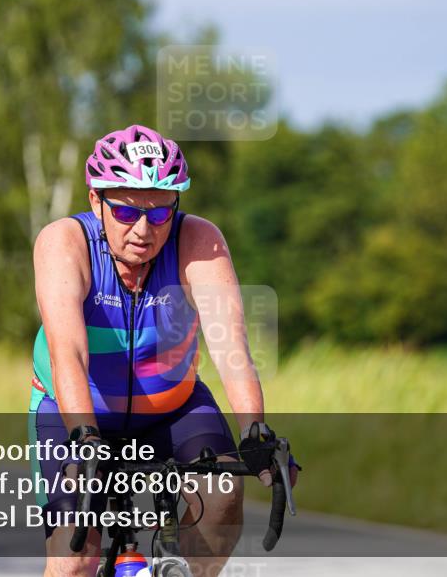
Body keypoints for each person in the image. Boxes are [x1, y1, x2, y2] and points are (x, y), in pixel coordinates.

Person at [29, 124, 298, 577]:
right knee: (73, 558)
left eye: (159, 215)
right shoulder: (64, 242)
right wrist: (83, 435)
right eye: (125, 212)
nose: (142, 230)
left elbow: (230, 341)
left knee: (224, 492)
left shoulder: (198, 240)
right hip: (76, 412)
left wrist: (255, 428)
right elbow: (68, 354)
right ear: (95, 199)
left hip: (173, 408)